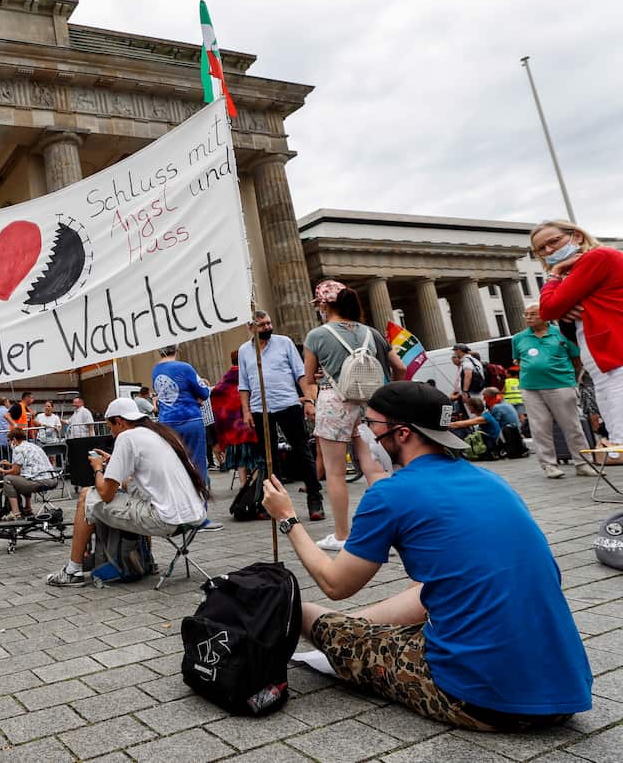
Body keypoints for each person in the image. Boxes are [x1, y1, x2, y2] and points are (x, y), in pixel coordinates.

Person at [261, 381, 592, 730]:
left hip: (484, 701)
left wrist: (287, 519)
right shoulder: (491, 481)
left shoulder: (392, 494)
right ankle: (356, 624)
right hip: (564, 692)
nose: (367, 437)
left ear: (402, 433)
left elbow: (335, 583)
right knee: (438, 585)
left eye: (370, 426)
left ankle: (342, 629)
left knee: (306, 612)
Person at [46, 398, 209, 587]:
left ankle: (72, 570)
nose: (112, 434)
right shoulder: (159, 434)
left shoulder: (126, 437)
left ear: (120, 422)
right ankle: (147, 561)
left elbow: (106, 493)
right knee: (135, 495)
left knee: (85, 496)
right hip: (193, 515)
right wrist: (113, 462)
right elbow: (138, 483)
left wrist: (98, 468)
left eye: (111, 427)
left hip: (167, 519)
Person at [302, 281, 405, 552]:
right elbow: (400, 367)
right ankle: (396, 527)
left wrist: (312, 396)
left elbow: (308, 377)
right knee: (375, 467)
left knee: (335, 473)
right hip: (371, 403)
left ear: (324, 305)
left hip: (335, 402)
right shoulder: (371, 332)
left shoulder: (317, 335)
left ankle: (341, 534)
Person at [534, 218, 623, 448]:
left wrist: (553, 274)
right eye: (541, 249)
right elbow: (557, 311)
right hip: (603, 360)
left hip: (615, 354)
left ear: (577, 236)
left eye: (553, 241)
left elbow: (547, 309)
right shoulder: (576, 271)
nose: (548, 250)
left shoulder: (596, 257)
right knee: (617, 437)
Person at [238, 311, 325, 520]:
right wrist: (246, 411)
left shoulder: (284, 343)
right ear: (251, 328)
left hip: (288, 404)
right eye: (261, 325)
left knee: (303, 451)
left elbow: (300, 373)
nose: (267, 327)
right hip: (260, 408)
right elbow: (243, 384)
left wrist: (309, 401)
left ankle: (315, 500)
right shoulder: (244, 351)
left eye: (268, 323)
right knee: (269, 459)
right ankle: (276, 502)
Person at [512, 304, 593, 478]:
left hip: (561, 384)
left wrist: (570, 378)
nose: (528, 318)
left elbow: (576, 359)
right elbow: (518, 360)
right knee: (539, 427)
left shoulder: (562, 333)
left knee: (572, 425)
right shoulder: (518, 338)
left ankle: (582, 463)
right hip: (531, 388)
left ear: (545, 315)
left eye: (533, 314)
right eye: (526, 315)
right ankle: (549, 465)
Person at [151, 345, 211, 484]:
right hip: (189, 419)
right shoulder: (184, 367)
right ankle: (200, 500)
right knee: (197, 465)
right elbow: (204, 392)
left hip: (166, 422)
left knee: (174, 466)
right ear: (177, 348)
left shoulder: (155, 370)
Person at [212, 351, 264, 490]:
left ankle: (243, 484)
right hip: (249, 422)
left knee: (241, 459)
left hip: (233, 427)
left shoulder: (226, 378)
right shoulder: (245, 375)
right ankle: (255, 485)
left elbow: (216, 394)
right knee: (255, 457)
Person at [0, 427, 57, 520]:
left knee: (8, 479)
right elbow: (27, 464)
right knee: (25, 477)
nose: (8, 443)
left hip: (41, 481)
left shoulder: (18, 449)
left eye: (9, 440)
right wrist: (10, 464)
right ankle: (28, 508)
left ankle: (16, 513)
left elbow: (15, 471)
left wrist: (2, 471)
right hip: (53, 479)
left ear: (14, 439)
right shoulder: (33, 445)